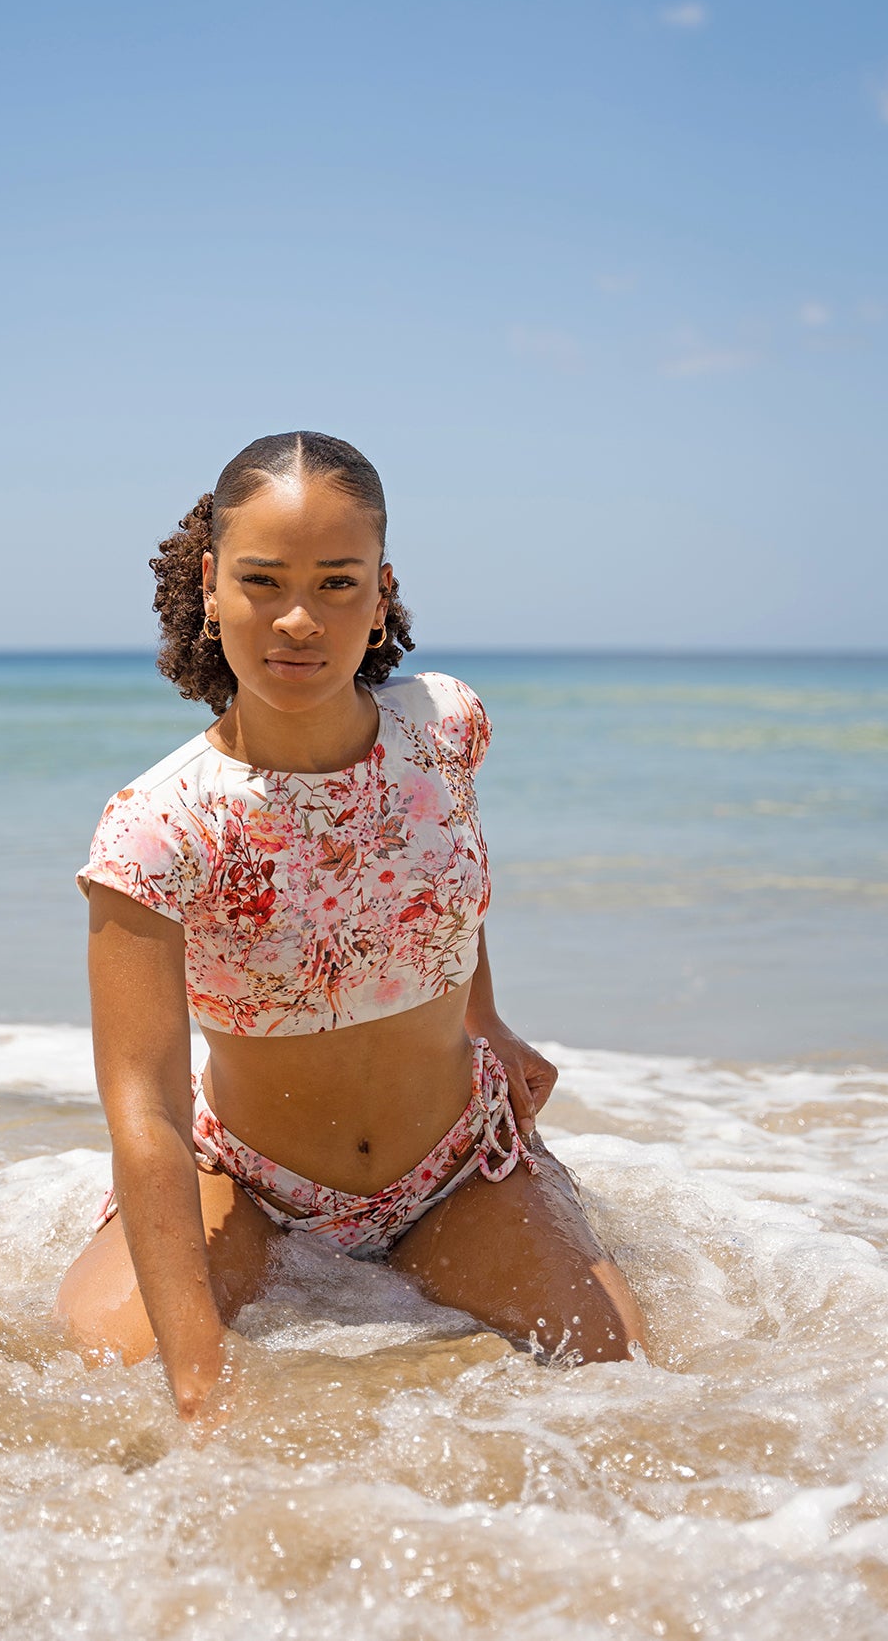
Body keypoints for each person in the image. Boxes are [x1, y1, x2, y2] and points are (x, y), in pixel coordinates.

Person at [57, 431, 645, 1423]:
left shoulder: (445, 724)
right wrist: (200, 1377)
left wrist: (488, 1022)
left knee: (620, 1386)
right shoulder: (158, 825)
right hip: (248, 1183)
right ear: (209, 585)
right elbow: (144, 1113)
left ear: (381, 592)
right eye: (262, 581)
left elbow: (440, 872)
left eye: (337, 583)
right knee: (110, 1378)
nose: (299, 619)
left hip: (460, 1163)